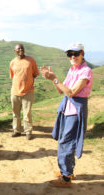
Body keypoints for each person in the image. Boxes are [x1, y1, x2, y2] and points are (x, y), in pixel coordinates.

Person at [40, 43, 93, 187]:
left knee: (66, 143)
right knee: (65, 141)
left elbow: (71, 92)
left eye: (76, 54)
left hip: (75, 111)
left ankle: (66, 178)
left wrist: (55, 79)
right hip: (67, 109)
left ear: (82, 53)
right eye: (70, 54)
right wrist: (53, 79)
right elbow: (61, 90)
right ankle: (68, 171)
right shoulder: (73, 70)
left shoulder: (85, 71)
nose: (73, 57)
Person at [10, 44, 39, 140]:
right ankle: (17, 130)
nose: (21, 50)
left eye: (22, 48)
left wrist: (28, 82)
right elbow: (13, 76)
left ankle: (28, 131)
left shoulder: (31, 60)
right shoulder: (12, 62)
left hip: (28, 91)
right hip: (15, 91)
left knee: (27, 113)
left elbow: (35, 74)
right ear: (15, 51)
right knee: (15, 113)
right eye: (18, 48)